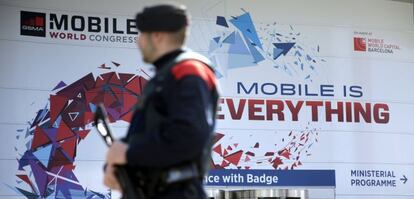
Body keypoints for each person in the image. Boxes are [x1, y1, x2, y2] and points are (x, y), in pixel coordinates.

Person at [103, 3, 219, 199]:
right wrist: (117, 164)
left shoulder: (189, 71)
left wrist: (129, 153)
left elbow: (188, 137)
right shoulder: (165, 76)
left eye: (141, 35)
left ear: (157, 36)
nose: (138, 42)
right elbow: (151, 134)